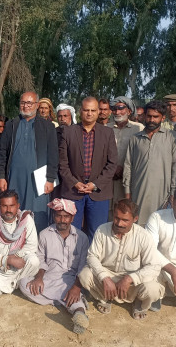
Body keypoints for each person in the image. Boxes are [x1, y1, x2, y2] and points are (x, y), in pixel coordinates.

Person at [78, 199, 163, 320]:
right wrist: (105, 278)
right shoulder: (102, 230)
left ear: (135, 219)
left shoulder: (143, 236)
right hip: (108, 276)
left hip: (133, 283)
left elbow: (154, 266)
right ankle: (105, 297)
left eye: (125, 220)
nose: (119, 223)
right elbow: (92, 256)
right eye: (117, 218)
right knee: (85, 275)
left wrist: (130, 279)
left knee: (152, 289)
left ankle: (139, 303)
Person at [19, 198, 89, 334]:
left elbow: (83, 266)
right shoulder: (45, 234)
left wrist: (76, 287)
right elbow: (41, 259)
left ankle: (79, 312)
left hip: (71, 279)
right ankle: (71, 304)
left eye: (66, 216)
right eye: (58, 216)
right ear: (53, 216)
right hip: (49, 277)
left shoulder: (82, 237)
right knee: (23, 283)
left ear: (72, 217)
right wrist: (39, 278)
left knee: (74, 289)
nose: (62, 220)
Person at [59, 96, 118, 241]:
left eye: (93, 110)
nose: (89, 113)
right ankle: (72, 263)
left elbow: (112, 164)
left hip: (98, 192)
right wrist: (75, 183)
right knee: (72, 232)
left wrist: (95, 184)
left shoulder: (107, 133)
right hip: (73, 191)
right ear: (80, 111)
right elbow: (62, 164)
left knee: (97, 233)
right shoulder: (68, 132)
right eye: (86, 110)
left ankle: (92, 263)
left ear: (98, 112)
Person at [0, 91, 58, 230]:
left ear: (36, 105)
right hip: (14, 178)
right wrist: (1, 176)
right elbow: (2, 153)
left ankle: (36, 248)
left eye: (29, 103)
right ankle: (11, 244)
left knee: (37, 214)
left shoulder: (47, 127)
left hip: (38, 180)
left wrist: (50, 179)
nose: (26, 106)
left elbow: (53, 155)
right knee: (12, 211)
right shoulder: (11, 125)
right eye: (23, 103)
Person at [123, 100, 176, 225]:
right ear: (144, 116)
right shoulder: (135, 138)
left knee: (159, 227)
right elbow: (128, 166)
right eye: (149, 116)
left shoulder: (172, 137)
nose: (151, 120)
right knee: (138, 229)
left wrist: (173, 194)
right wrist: (127, 193)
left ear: (163, 118)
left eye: (156, 117)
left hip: (162, 195)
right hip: (138, 193)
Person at [0, 190, 39, 301]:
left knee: (34, 261)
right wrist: (8, 260)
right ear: (0, 206)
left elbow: (32, 246)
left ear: (18, 206)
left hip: (21, 266)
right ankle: (14, 285)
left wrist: (15, 256)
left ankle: (19, 282)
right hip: (2, 268)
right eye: (4, 206)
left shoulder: (26, 220)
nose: (8, 210)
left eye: (12, 206)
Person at [107, 97, 144, 209]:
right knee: (108, 211)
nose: (117, 112)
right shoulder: (106, 128)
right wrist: (112, 169)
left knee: (125, 209)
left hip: (128, 179)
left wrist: (124, 169)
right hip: (109, 177)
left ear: (129, 111)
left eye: (121, 108)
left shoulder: (139, 128)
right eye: (114, 109)